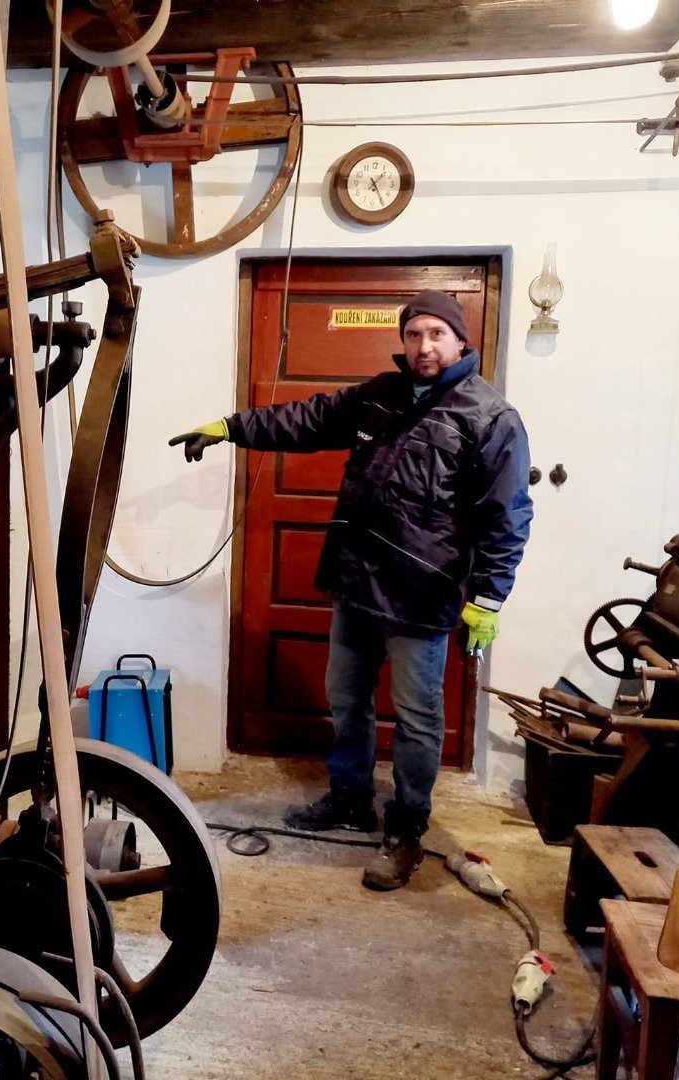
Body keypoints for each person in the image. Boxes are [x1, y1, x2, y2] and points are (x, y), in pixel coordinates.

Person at [169, 289, 532, 890]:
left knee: (417, 717)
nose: (423, 346)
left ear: (460, 340)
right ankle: (350, 798)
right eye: (413, 334)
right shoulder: (379, 395)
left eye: (436, 334)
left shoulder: (491, 417)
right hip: (357, 580)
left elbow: (507, 514)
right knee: (346, 697)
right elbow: (307, 419)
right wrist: (231, 428)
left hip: (422, 595)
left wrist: (488, 598)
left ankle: (407, 831)